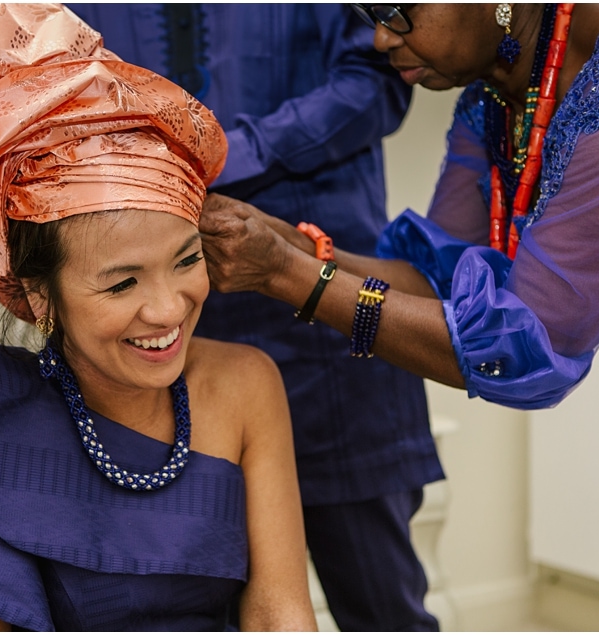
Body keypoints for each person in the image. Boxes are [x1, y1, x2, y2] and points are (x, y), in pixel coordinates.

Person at [0, 4, 317, 632]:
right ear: (38, 295)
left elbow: (281, 614)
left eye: (186, 260)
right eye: (121, 283)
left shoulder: (247, 386)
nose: (167, 309)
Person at [200, 3, 599, 626]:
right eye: (365, 12)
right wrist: (300, 250)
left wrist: (289, 276)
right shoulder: (497, 93)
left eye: (397, 11)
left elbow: (525, 350)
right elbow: (439, 286)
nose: (379, 39)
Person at [64, 4, 444, 631]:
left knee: (381, 604)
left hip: (325, 311)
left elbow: (378, 79)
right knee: (189, 592)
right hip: (166, 327)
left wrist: (229, 154)